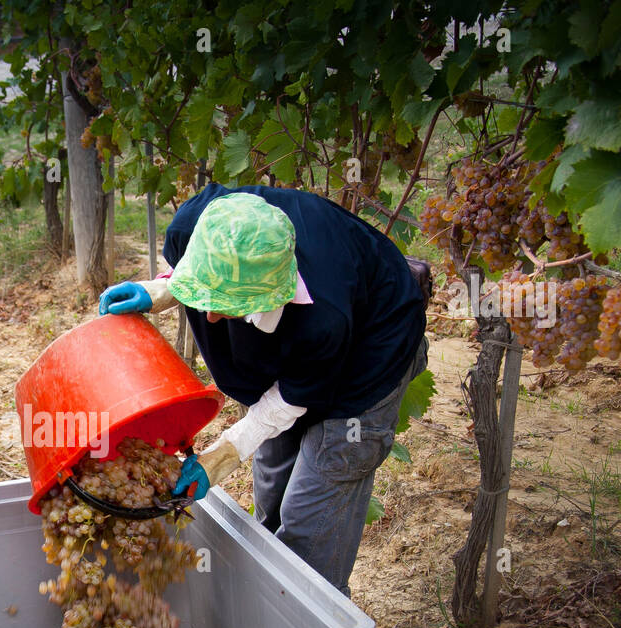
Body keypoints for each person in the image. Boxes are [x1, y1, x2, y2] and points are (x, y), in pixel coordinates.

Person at [99, 185, 428, 596]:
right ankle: (269, 599)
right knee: (272, 484)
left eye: (229, 307)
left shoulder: (323, 320)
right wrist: (160, 290)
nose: (212, 317)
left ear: (274, 297)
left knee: (312, 513)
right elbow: (209, 262)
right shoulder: (196, 224)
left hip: (369, 356)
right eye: (206, 301)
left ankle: (312, 624)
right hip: (308, 349)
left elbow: (288, 401)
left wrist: (220, 458)